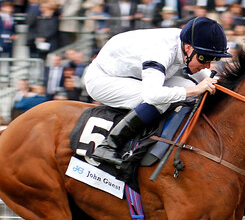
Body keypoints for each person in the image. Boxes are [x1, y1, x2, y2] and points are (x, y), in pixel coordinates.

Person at [84, 16, 231, 168]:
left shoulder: (187, 44)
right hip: (103, 80)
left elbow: (201, 75)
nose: (208, 65)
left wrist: (221, 86)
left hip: (133, 75)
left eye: (212, 59)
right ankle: (108, 145)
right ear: (188, 48)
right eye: (204, 58)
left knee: (188, 87)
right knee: (164, 98)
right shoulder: (161, 51)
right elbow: (152, 95)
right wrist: (194, 89)